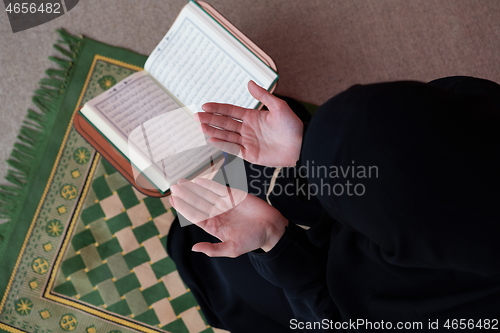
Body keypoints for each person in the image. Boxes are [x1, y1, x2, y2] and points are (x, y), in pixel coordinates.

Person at [167, 77, 500, 332]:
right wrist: (304, 145)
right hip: (381, 221)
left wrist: (273, 240)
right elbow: (393, 147)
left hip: (331, 297)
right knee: (274, 170)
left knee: (224, 261)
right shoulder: (475, 115)